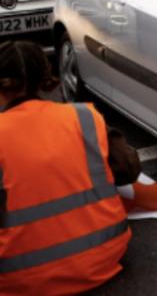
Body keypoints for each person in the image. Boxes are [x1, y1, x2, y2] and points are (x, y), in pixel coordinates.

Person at [0, 40, 140, 294]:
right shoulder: (84, 117)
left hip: (20, 277)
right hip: (104, 255)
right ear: (45, 76)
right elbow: (128, 168)